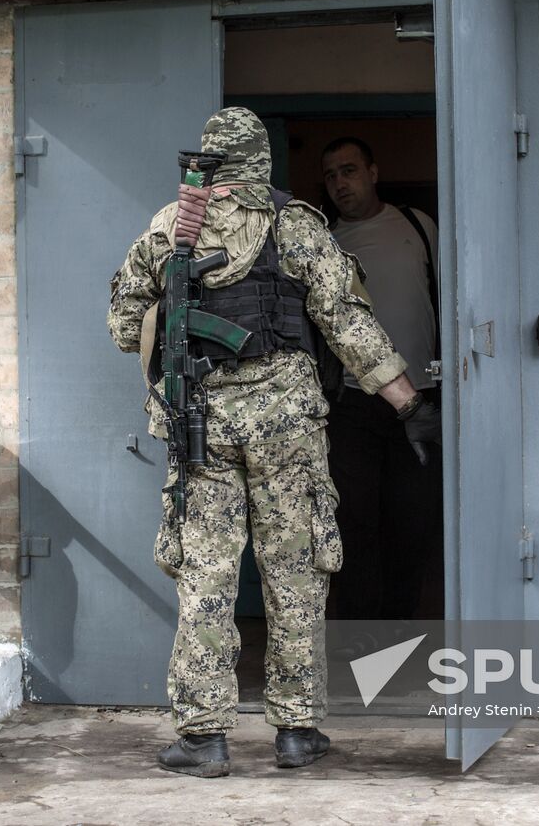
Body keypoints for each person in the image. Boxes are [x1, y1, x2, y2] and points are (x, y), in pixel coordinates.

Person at [106, 108, 440, 778]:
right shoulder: (296, 227)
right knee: (295, 573)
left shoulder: (172, 227)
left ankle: (204, 737)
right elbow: (347, 323)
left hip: (203, 423)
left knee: (206, 575)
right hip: (288, 423)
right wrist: (407, 400)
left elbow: (122, 324)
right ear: (262, 159)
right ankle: (296, 729)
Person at [321, 136, 443, 621]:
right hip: (354, 404)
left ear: (373, 171)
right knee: (354, 524)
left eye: (348, 170)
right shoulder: (324, 240)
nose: (339, 183)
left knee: (412, 524)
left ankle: (402, 633)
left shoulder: (418, 226)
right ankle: (361, 639)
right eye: (330, 175)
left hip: (422, 398)